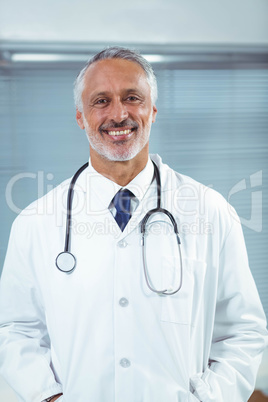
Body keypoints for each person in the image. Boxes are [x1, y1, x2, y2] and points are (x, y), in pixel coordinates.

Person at [0, 47, 267, 402]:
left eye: (132, 98)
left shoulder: (211, 211)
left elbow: (243, 331)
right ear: (81, 116)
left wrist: (209, 399)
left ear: (152, 110)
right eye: (101, 101)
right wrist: (49, 396)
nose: (118, 113)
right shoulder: (34, 223)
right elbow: (15, 329)